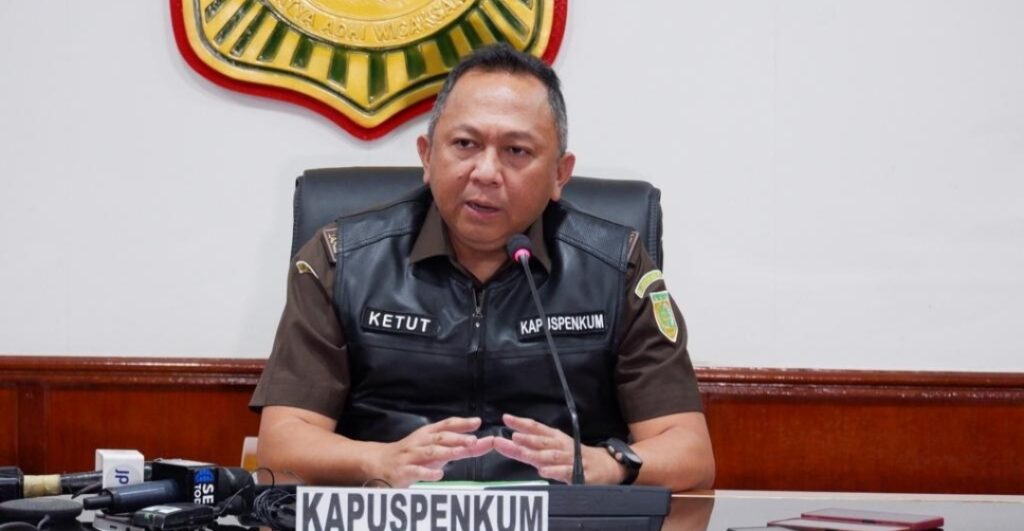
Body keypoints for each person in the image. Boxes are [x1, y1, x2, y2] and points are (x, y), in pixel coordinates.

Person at [250, 44, 715, 492]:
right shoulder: (342, 260)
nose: (486, 172)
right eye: (465, 144)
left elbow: (690, 452)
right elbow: (282, 443)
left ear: (559, 174)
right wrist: (378, 461)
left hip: (557, 517)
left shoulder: (616, 267)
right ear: (427, 156)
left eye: (517, 151)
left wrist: (607, 465)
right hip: (396, 513)